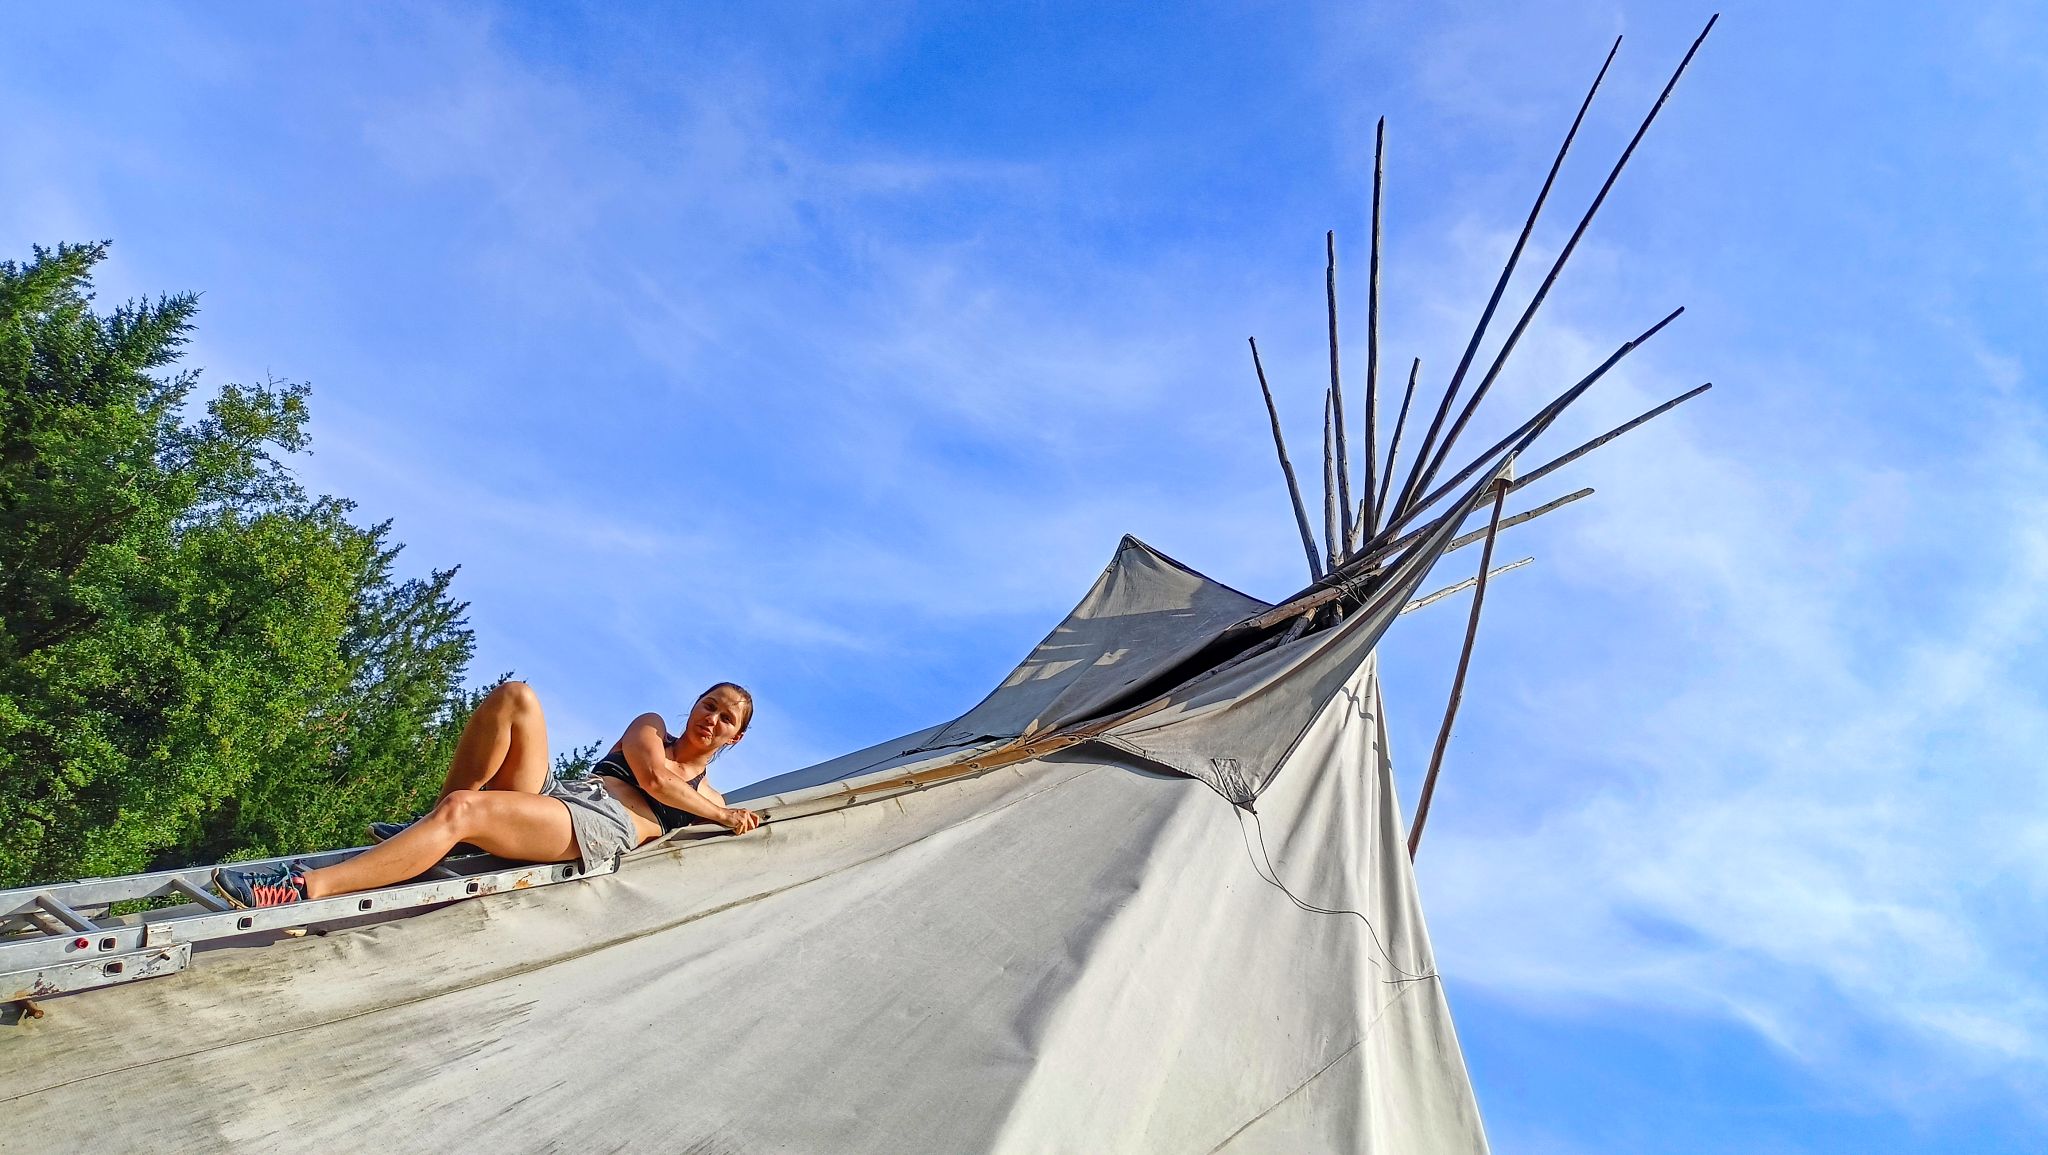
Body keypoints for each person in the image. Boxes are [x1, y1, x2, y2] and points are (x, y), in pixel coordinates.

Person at [211, 680, 762, 908]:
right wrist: (723, 816)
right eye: (709, 705)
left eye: (726, 718)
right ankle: (434, 831)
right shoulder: (652, 729)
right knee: (516, 696)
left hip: (593, 828)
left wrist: (725, 815)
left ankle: (301, 889)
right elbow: (656, 781)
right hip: (558, 795)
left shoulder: (712, 797)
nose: (712, 718)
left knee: (464, 810)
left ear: (735, 737)